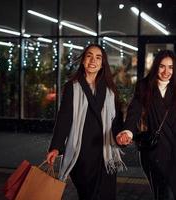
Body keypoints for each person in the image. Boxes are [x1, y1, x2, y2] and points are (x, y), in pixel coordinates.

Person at [116, 50, 176, 200]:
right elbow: (134, 111)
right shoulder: (144, 87)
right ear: (156, 67)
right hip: (154, 151)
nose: (166, 71)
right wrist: (127, 132)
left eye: (171, 67)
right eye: (162, 66)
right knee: (162, 194)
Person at [46, 44, 125, 200]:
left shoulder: (110, 89)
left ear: (103, 63)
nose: (93, 61)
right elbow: (64, 119)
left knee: (107, 196)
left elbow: (116, 121)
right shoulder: (72, 87)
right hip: (82, 153)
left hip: (105, 153)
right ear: (83, 60)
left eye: (98, 57)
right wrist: (55, 147)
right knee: (88, 195)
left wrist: (122, 137)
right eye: (89, 56)